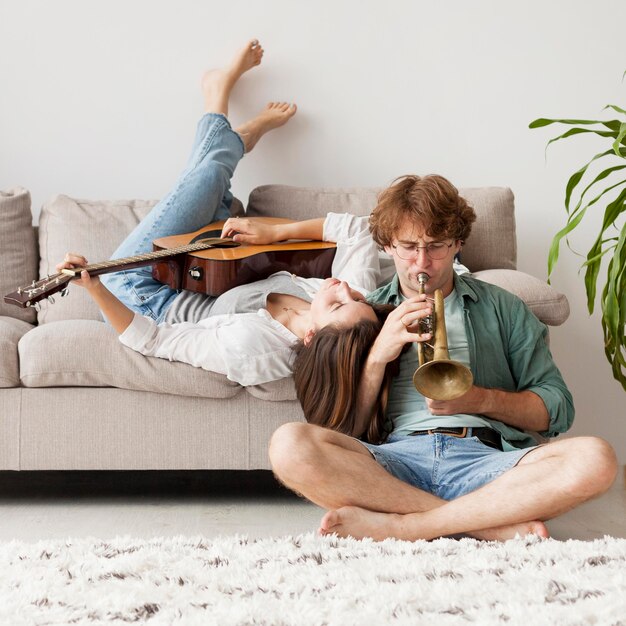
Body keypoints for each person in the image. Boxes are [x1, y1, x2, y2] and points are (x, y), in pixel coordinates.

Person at [271, 174, 619, 542]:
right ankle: (482, 524)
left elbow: (557, 409)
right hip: (395, 464)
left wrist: (479, 399)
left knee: (597, 458)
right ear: (388, 245)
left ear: (457, 244)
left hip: (487, 461)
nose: (422, 263)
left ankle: (407, 524)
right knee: (287, 446)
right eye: (408, 246)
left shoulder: (504, 307)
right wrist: (378, 356)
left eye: (436, 246)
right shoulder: (364, 312)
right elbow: (340, 431)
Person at [57, 40, 384, 386]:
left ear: (311, 336)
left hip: (144, 296)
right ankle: (231, 130)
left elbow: (153, 339)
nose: (345, 288)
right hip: (203, 271)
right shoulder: (351, 303)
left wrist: (94, 287)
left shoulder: (252, 349)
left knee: (208, 175)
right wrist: (273, 234)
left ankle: (224, 110)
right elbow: (359, 232)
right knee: (211, 187)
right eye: (358, 297)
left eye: (339, 303)